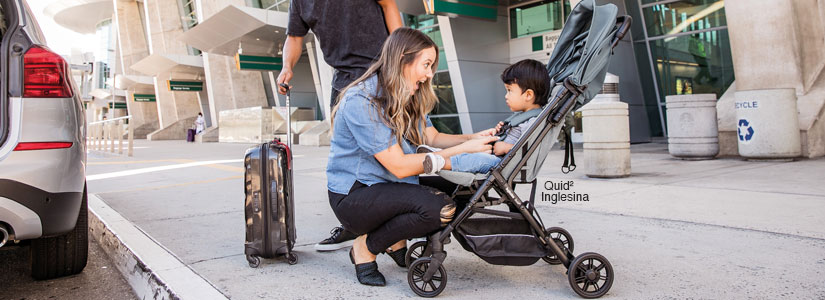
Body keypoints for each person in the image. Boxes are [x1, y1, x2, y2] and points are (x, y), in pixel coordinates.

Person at [327, 28, 498, 286]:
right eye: (426, 65)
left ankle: (395, 240)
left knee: (464, 190)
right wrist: (463, 150)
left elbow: (431, 137)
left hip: (386, 185)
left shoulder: (408, 93)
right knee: (438, 209)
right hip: (356, 195)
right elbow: (399, 167)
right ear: (402, 60)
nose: (430, 74)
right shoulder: (363, 101)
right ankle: (365, 247)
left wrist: (473, 138)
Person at [278, 0, 403, 252]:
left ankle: (397, 229)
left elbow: (389, 5)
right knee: (346, 160)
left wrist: (401, 61)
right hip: (343, 81)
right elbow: (294, 37)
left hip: (381, 74)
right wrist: (286, 67)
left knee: (389, 154)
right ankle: (353, 224)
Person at [421, 59, 551, 174]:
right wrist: (502, 131)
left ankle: (441, 162)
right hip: (497, 157)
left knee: (477, 160)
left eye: (509, 90)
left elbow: (531, 150)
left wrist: (506, 147)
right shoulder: (521, 116)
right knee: (472, 149)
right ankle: (437, 154)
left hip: (503, 164)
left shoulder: (534, 121)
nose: (506, 96)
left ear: (528, 95)